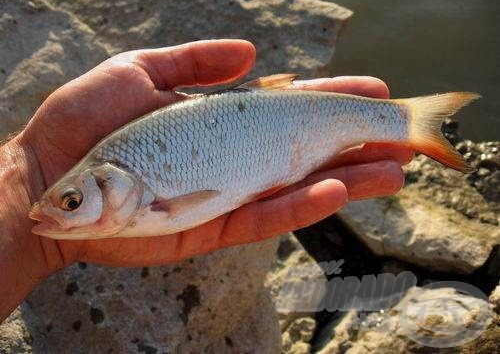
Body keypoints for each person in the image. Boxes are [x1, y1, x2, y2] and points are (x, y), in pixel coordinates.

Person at [0, 39, 413, 321]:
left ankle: (409, 121)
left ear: (112, 182)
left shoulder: (144, 203)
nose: (65, 209)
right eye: (72, 203)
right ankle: (407, 121)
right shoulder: (127, 193)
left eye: (72, 202)